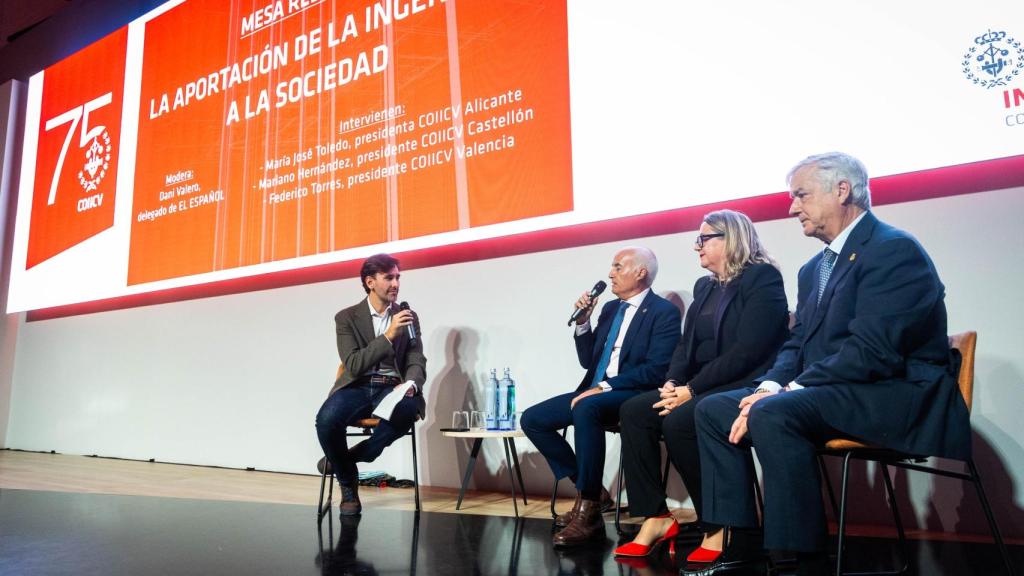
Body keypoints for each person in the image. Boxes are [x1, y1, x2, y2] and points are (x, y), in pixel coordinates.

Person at [688, 153, 971, 576]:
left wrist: (787, 393)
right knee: (713, 410)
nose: (792, 208)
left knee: (774, 412)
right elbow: (798, 342)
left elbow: (873, 350)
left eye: (801, 195)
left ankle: (802, 562)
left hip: (893, 393)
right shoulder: (812, 269)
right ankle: (740, 541)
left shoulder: (893, 249)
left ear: (842, 190)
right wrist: (769, 386)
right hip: (834, 390)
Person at [614, 210, 788, 561]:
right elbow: (686, 345)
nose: (698, 246)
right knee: (634, 411)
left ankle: (721, 524)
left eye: (704, 238)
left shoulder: (762, 278)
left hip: (744, 381)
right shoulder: (705, 286)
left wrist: (691, 390)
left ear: (731, 238)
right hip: (700, 383)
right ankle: (656, 516)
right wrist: (672, 382)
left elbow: (749, 350)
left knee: (681, 421)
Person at [521, 246, 682, 547]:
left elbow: (657, 369)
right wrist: (583, 322)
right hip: (594, 391)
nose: (610, 274)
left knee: (587, 408)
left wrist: (606, 387)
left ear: (640, 272)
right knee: (533, 419)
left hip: (632, 394)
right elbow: (589, 361)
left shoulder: (663, 312)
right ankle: (593, 492)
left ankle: (589, 510)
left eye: (618, 267)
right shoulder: (609, 309)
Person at [315, 253, 427, 516]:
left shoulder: (407, 315)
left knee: (408, 409)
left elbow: (416, 357)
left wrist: (411, 383)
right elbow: (354, 364)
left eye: (398, 277)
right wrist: (388, 336)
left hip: (392, 386)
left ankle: (358, 455)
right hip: (358, 385)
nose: (396, 284)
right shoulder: (346, 318)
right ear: (370, 282)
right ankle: (348, 486)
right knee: (326, 420)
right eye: (389, 278)